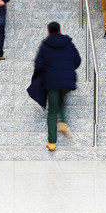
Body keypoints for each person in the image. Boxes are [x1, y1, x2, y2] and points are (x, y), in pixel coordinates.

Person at [32, 22, 81, 152]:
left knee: (52, 111)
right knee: (62, 100)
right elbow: (77, 61)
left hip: (51, 82)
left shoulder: (45, 45)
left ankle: (52, 143)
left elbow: (38, 65)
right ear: (60, 30)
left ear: (48, 32)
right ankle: (64, 122)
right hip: (67, 82)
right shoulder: (69, 43)